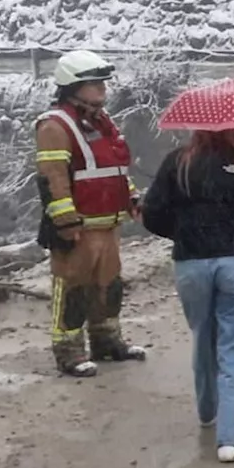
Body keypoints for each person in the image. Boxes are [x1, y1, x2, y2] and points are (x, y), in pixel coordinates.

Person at [143, 130, 234, 463]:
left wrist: (184, 231)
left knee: (203, 335)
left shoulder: (178, 163)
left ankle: (207, 410)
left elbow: (152, 212)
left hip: (191, 263)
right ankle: (231, 438)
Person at [34, 50, 146, 377]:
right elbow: (53, 177)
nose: (102, 89)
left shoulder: (101, 121)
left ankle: (106, 341)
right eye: (94, 83)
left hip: (108, 224)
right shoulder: (55, 125)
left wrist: (132, 196)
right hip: (79, 228)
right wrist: (66, 221)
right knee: (73, 290)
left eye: (102, 82)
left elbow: (114, 168)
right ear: (73, 86)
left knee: (108, 286)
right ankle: (68, 351)